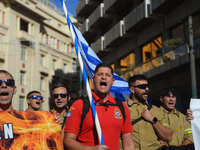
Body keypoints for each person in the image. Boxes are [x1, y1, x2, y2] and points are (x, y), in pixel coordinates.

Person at [64, 63, 135, 150]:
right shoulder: (80, 105)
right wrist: (91, 149)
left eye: (107, 75)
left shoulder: (122, 107)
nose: (104, 77)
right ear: (93, 80)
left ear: (112, 82)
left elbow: (128, 144)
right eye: (100, 74)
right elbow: (68, 142)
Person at [127, 75, 172, 150]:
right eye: (142, 86)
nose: (147, 89)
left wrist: (153, 120)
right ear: (132, 89)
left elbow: (168, 137)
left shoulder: (156, 110)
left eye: (147, 86)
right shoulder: (121, 109)